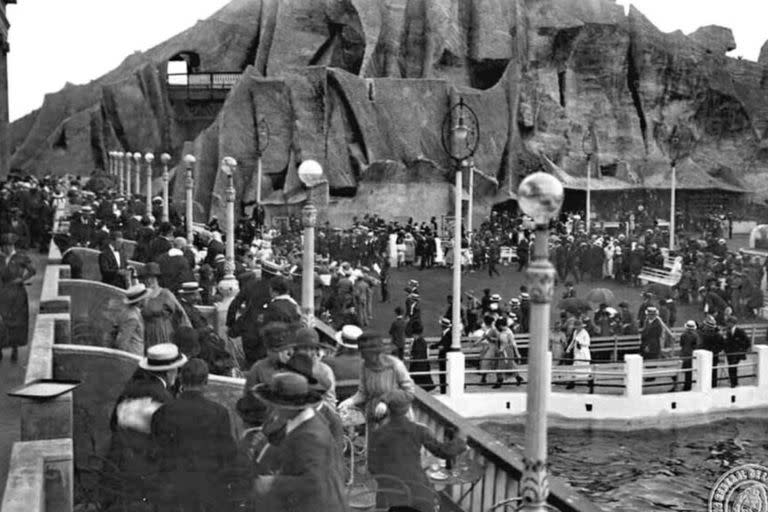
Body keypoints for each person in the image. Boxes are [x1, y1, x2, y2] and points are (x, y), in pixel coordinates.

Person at [151, 359, 243, 511]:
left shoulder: (163, 412)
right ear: (206, 382)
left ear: (181, 379)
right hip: (207, 490)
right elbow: (228, 453)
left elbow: (155, 450)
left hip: (171, 490)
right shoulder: (219, 413)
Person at [104, 343, 187, 507]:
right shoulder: (164, 399)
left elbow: (113, 423)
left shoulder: (131, 388)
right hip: (146, 476)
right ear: (170, 371)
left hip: (116, 466)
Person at [251, 373, 349, 512]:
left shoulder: (311, 436)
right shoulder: (301, 421)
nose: (274, 409)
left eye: (276, 405)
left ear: (290, 407)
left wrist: (272, 483)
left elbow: (314, 481)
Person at [368, 390, 467, 512]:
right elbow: (443, 451)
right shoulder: (419, 430)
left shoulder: (377, 434)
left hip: (390, 496)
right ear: (408, 408)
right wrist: (461, 441)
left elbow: (372, 467)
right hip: (418, 494)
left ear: (389, 409)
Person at [339, 331, 416, 425]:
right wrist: (350, 401)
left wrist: (386, 401)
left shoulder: (396, 365)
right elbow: (363, 393)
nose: (363, 356)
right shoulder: (364, 366)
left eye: (366, 353)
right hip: (375, 419)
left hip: (398, 419)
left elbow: (409, 393)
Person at [237, 321, 296, 427]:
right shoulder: (259, 368)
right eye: (274, 350)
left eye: (282, 349)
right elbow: (248, 401)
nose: (279, 354)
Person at [0, 232, 36, 362]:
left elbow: (33, 270)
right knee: (3, 320)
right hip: (3, 292)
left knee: (17, 322)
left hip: (17, 294)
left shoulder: (21, 257)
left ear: (12, 245)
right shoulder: (0, 258)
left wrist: (22, 279)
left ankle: (15, 348)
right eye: (4, 246)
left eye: (8, 246)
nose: (6, 248)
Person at [140, 262, 191, 348]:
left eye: (152, 278)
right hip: (148, 333)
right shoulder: (142, 296)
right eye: (146, 278)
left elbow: (180, 312)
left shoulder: (165, 294)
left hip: (164, 331)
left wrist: (188, 332)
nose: (149, 281)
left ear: (157, 278)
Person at [113, 284, 149, 355]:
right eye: (145, 298)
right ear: (140, 301)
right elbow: (122, 342)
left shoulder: (128, 311)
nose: (147, 299)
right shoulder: (132, 317)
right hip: (133, 354)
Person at [407, 321, 435, 392]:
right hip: (422, 367)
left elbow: (417, 356)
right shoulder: (421, 341)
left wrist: (411, 357)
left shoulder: (418, 342)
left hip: (418, 368)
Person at [495, 318, 523, 388]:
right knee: (508, 365)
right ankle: (518, 377)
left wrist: (517, 354)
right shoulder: (502, 332)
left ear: (501, 325)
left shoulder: (509, 332)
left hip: (507, 351)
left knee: (502, 366)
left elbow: (512, 343)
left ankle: (499, 381)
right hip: (502, 350)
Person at [565, 319, 592, 391]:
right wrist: (569, 348)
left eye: (579, 326)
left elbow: (588, 343)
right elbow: (573, 341)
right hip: (577, 352)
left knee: (586, 368)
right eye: (576, 326)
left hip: (583, 352)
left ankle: (590, 381)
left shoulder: (585, 333)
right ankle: (572, 382)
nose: (577, 328)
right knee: (575, 367)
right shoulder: (575, 332)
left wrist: (581, 343)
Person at [724, 316, 750, 388]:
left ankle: (733, 383)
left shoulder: (740, 331)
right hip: (730, 353)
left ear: (732, 323)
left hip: (737, 353)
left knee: (733, 366)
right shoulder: (728, 331)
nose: (727, 324)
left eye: (728, 323)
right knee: (731, 367)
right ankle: (734, 382)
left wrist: (742, 350)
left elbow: (747, 342)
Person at [700, 316, 724, 388]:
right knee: (713, 370)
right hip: (714, 355)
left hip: (707, 355)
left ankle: (708, 384)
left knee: (706, 371)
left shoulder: (704, 335)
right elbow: (722, 344)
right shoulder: (718, 335)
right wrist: (716, 351)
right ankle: (713, 385)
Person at [678, 320, 699, 391]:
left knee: (686, 371)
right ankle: (689, 385)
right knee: (690, 371)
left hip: (684, 354)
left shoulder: (683, 335)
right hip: (692, 354)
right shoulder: (695, 335)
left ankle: (686, 386)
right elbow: (696, 345)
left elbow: (681, 344)